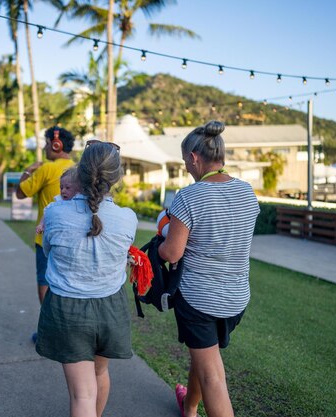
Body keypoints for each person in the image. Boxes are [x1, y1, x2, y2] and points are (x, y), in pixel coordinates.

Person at [158, 121, 259, 417]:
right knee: (206, 356)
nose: (186, 169)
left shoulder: (189, 197)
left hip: (198, 299)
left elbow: (172, 252)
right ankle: (189, 406)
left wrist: (162, 236)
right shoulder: (247, 193)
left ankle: (194, 404)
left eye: (184, 162)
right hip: (236, 298)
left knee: (213, 376)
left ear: (193, 157)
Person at [36, 140, 138, 417]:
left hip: (67, 309)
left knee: (82, 394)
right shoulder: (128, 218)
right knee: (100, 373)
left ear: (80, 172)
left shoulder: (55, 212)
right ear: (115, 178)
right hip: (110, 309)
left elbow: (48, 251)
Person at [16, 126, 75, 307]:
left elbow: (20, 193)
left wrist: (29, 169)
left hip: (46, 239)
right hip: (74, 239)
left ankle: (47, 329)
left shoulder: (46, 169)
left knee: (45, 282)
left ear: (56, 145)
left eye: (47, 143)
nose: (45, 147)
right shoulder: (80, 169)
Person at [35, 167, 81, 235]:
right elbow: (46, 213)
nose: (63, 191)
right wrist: (41, 224)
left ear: (79, 189)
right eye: (61, 187)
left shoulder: (81, 204)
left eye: (67, 188)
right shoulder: (58, 202)